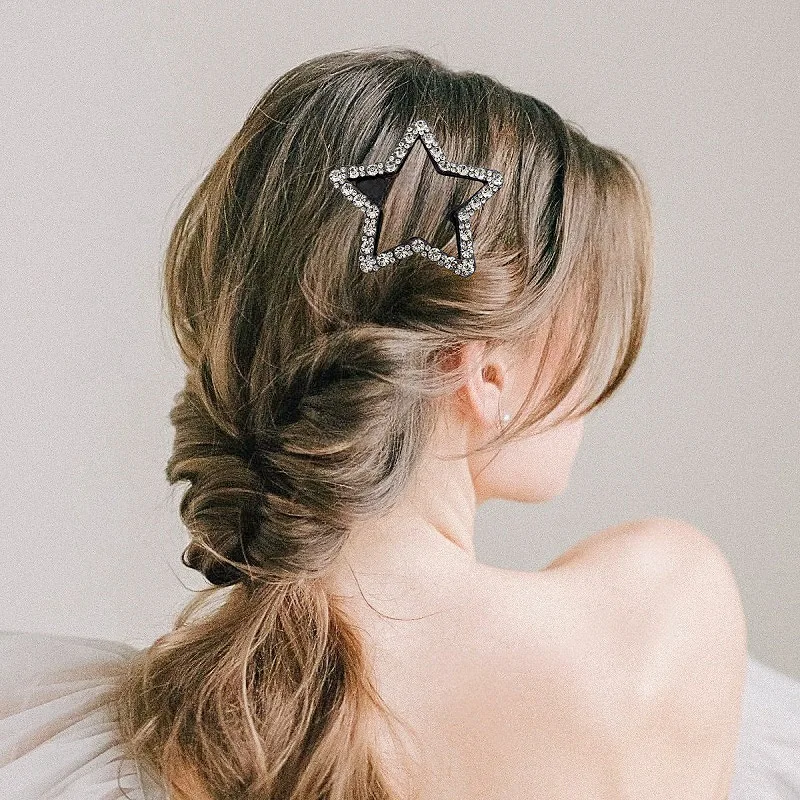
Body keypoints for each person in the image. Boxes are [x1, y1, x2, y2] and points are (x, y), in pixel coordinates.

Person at [1, 46, 797, 800]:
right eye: (584, 319)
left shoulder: (108, 728)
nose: (595, 377)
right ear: (483, 372)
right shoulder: (657, 615)